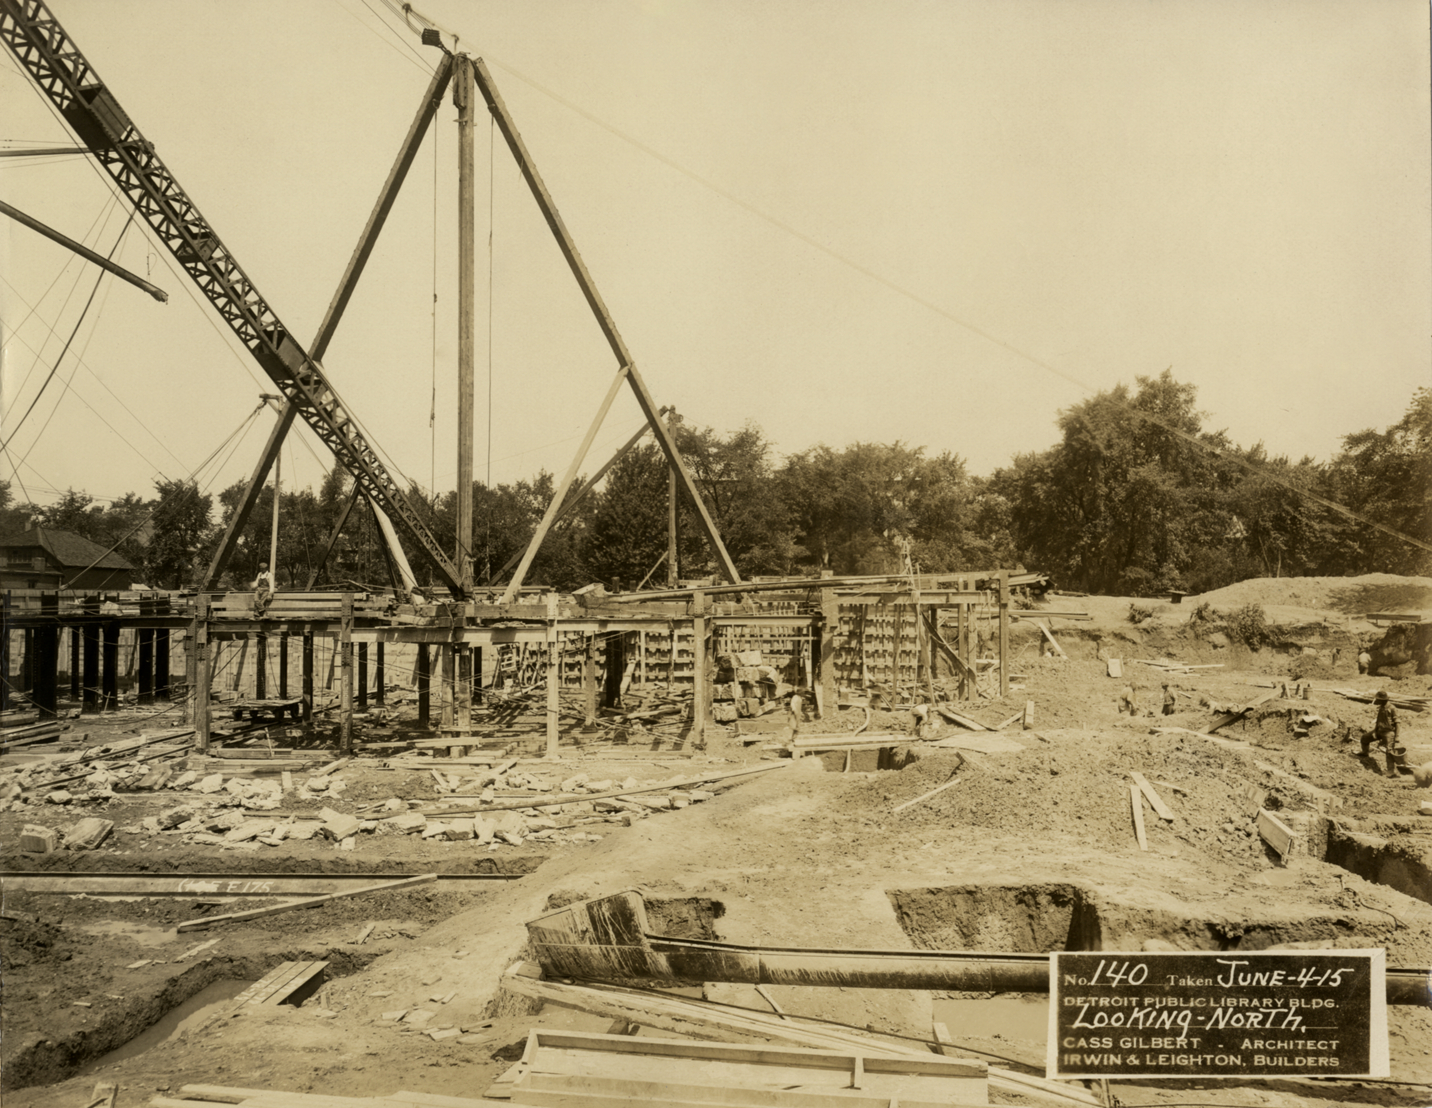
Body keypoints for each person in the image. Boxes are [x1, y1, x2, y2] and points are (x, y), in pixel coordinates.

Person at [1360, 690, 1399, 775]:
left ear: (1383, 700)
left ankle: (1391, 771)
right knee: (1365, 738)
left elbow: (1397, 723)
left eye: (1378, 699)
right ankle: (1365, 752)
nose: (1376, 701)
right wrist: (1374, 731)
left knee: (1389, 751)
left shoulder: (1392, 708)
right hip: (1379, 731)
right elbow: (1378, 721)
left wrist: (1397, 737)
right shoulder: (1381, 707)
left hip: (1389, 733)